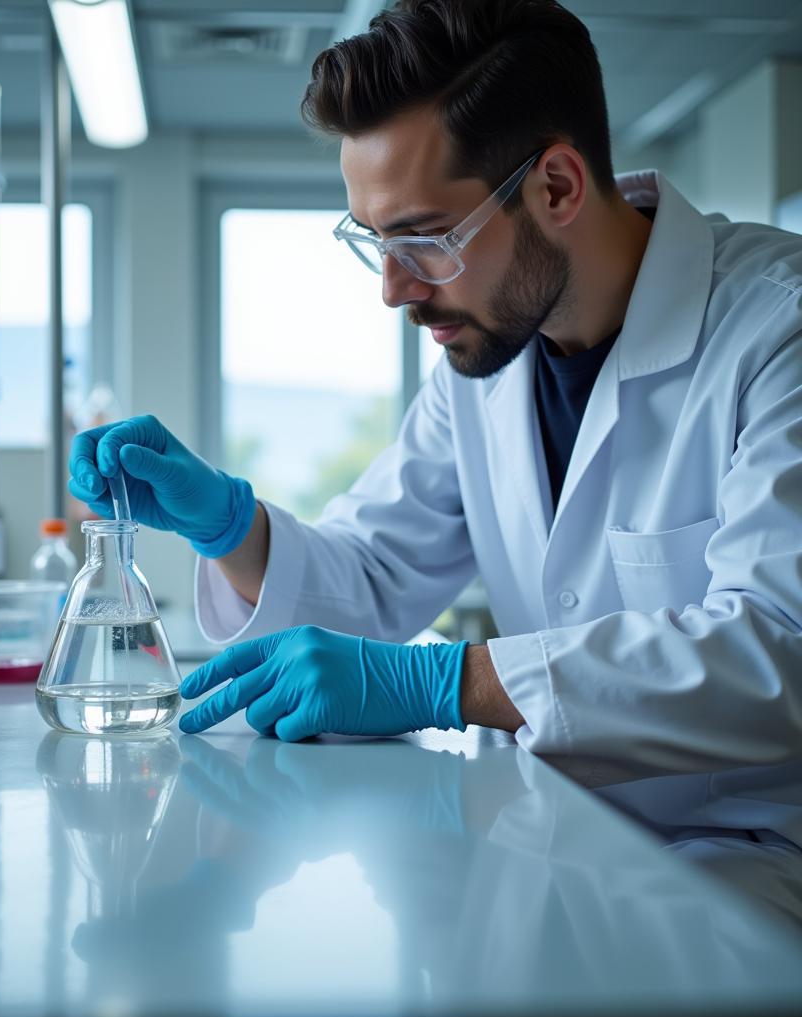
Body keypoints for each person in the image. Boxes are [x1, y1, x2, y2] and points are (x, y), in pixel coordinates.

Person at [69, 0, 802, 772]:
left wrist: (449, 681)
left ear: (555, 187)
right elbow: (378, 577)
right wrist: (230, 529)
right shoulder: (485, 360)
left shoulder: (777, 330)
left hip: (742, 860)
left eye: (424, 237)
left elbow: (776, 653)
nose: (394, 289)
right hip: (557, 830)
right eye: (376, 241)